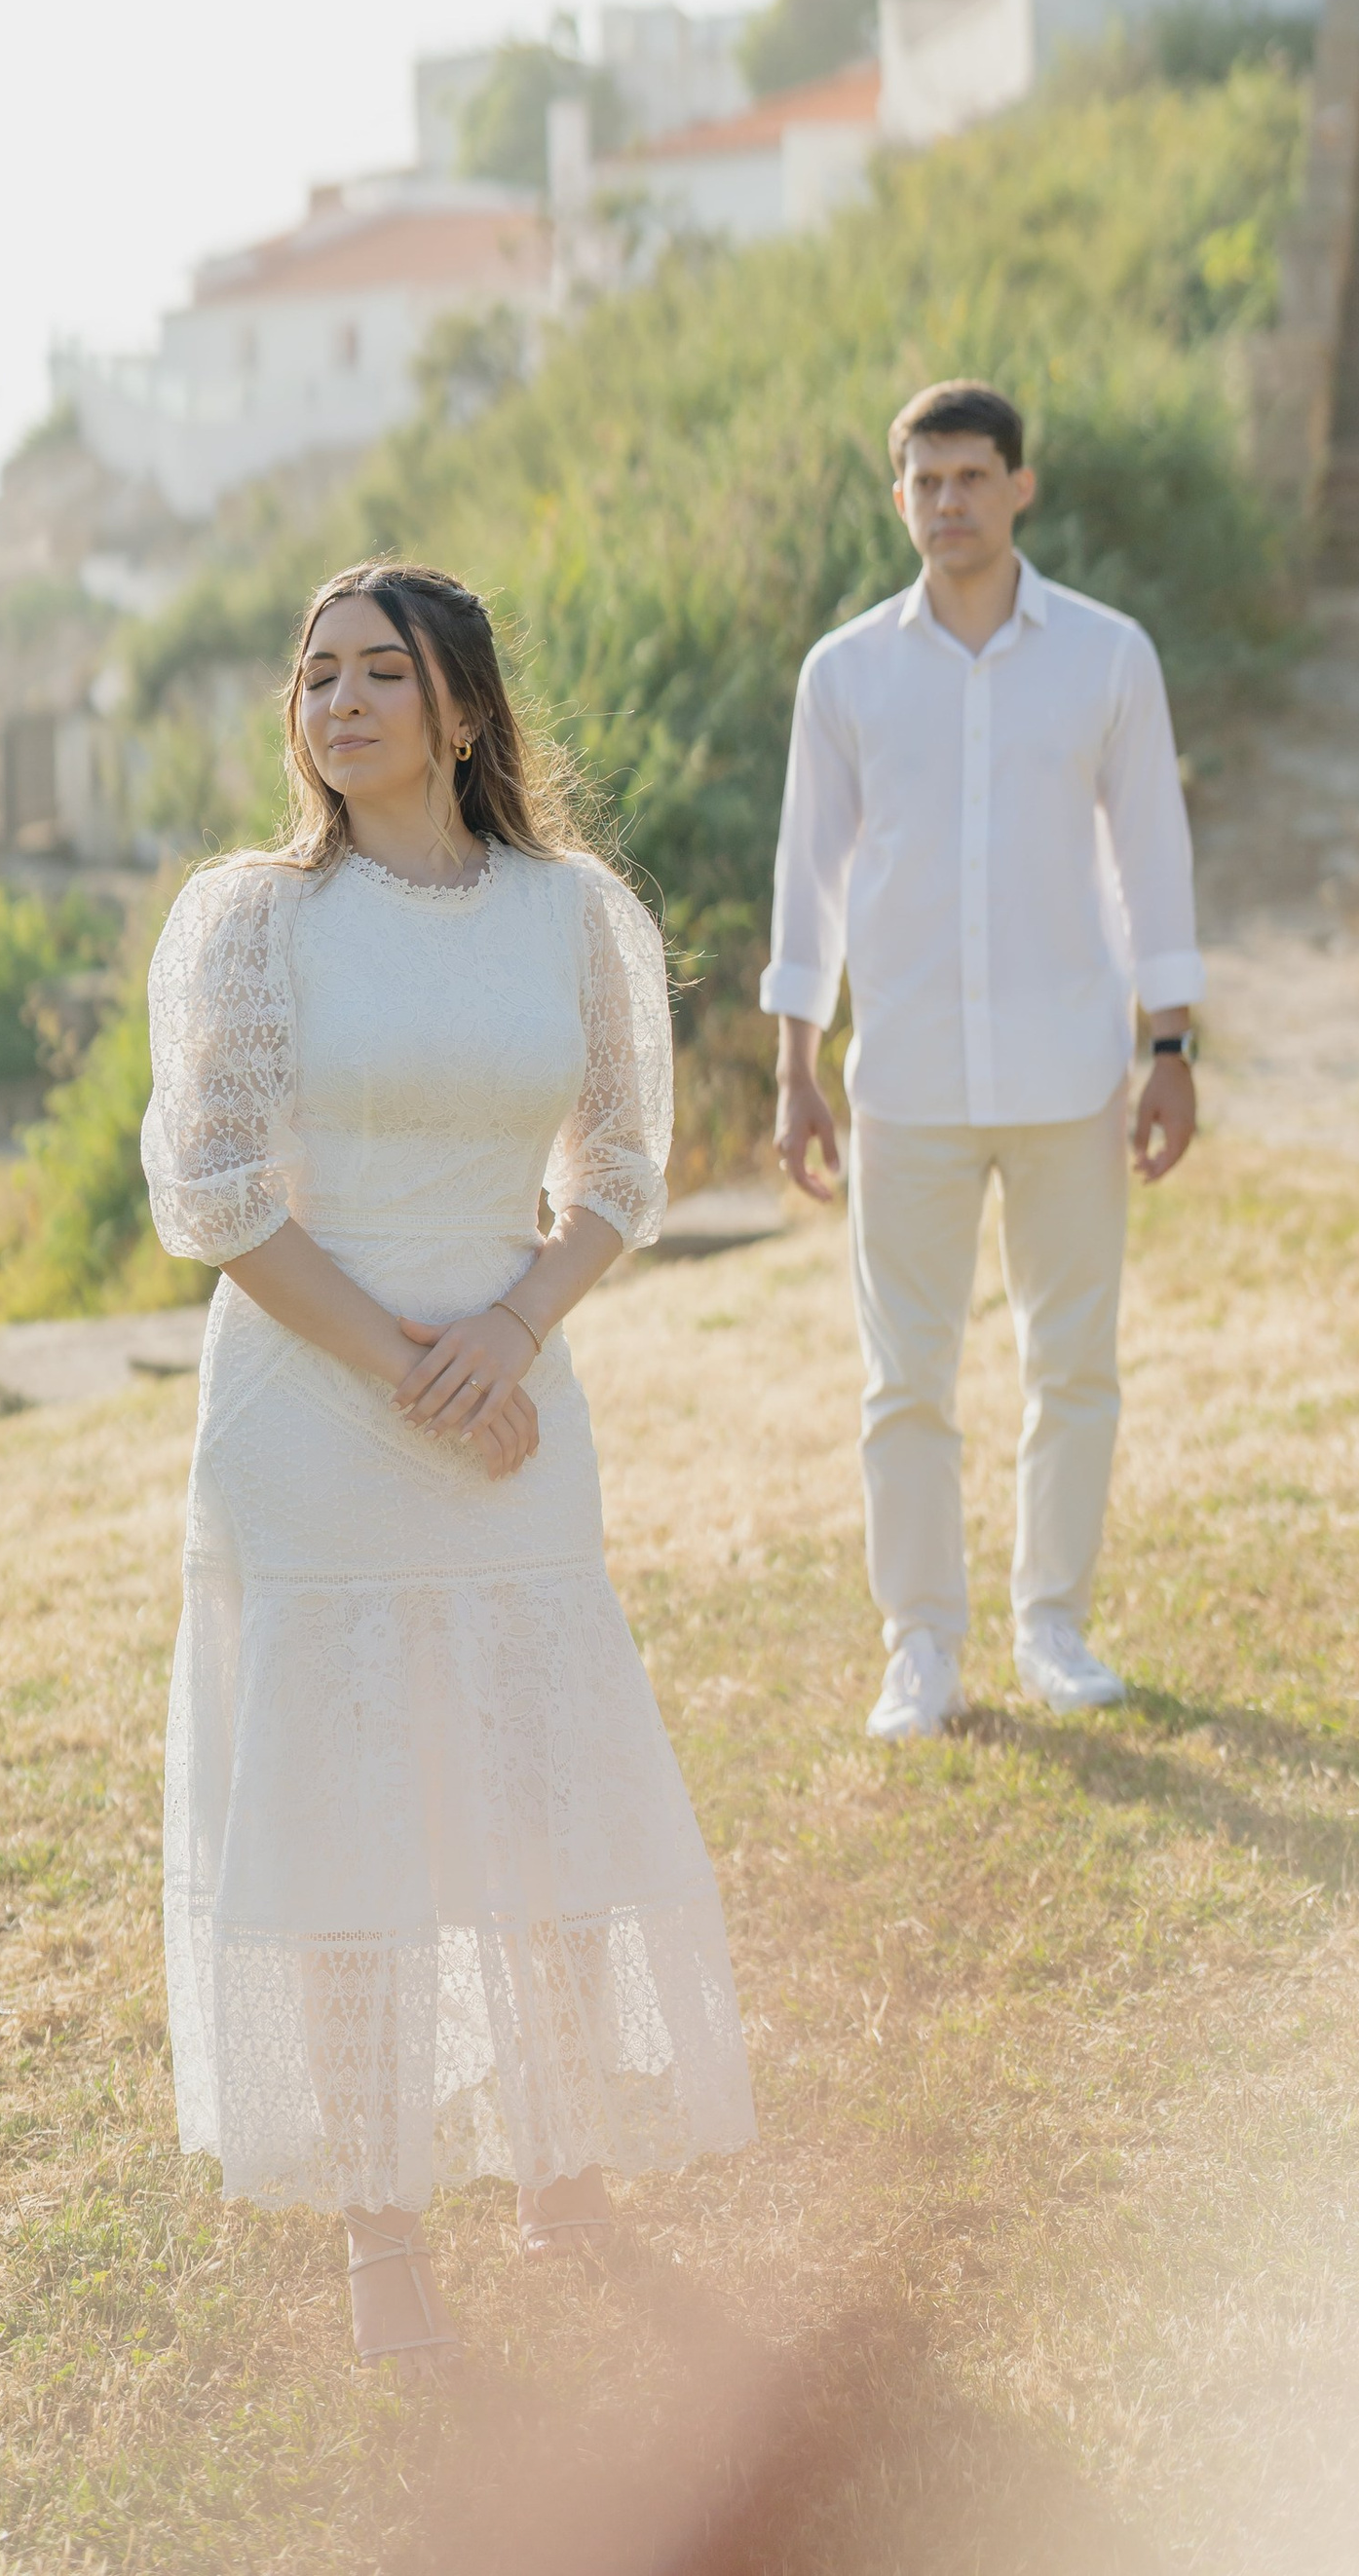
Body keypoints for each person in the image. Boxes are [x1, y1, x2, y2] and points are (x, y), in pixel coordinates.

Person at [140, 561, 753, 2373]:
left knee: (537, 1785)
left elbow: (624, 1166)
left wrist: (517, 1330)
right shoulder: (249, 918)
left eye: (375, 672)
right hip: (314, 1419)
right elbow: (223, 1196)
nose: (334, 700)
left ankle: (561, 2162)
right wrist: (423, 1363)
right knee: (344, 1821)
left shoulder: (572, 914)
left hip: (510, 1416)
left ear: (460, 708)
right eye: (313, 672)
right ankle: (378, 2225)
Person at [763, 381, 1203, 1742]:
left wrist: (1172, 1042)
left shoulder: (1109, 656)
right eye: (925, 481)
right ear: (898, 498)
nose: (948, 502)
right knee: (905, 1376)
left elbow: (1153, 857)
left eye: (971, 476)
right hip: (904, 1077)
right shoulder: (845, 672)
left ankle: (1053, 1625)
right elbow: (808, 886)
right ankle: (923, 1647)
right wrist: (795, 1066)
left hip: (1074, 1069)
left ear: (1020, 485)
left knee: (1073, 1360)